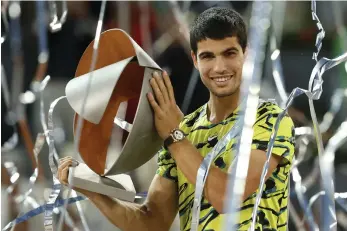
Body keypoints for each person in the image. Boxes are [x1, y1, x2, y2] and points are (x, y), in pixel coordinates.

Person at [58, 7, 295, 231]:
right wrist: (93, 191)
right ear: (195, 60)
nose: (219, 67)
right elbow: (152, 222)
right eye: (208, 56)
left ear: (247, 54)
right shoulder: (182, 129)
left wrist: (175, 135)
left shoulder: (270, 119)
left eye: (229, 53)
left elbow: (226, 198)